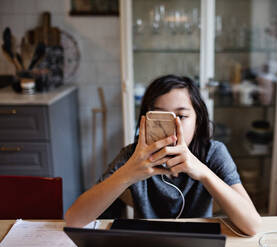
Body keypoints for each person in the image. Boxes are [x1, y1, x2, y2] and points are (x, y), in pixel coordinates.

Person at [65, 75, 261, 235]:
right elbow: (73, 220)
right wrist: (128, 174)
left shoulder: (213, 153)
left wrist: (202, 171)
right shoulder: (133, 156)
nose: (173, 127)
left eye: (182, 116)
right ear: (144, 121)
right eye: (160, 117)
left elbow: (252, 226)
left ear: (198, 120)